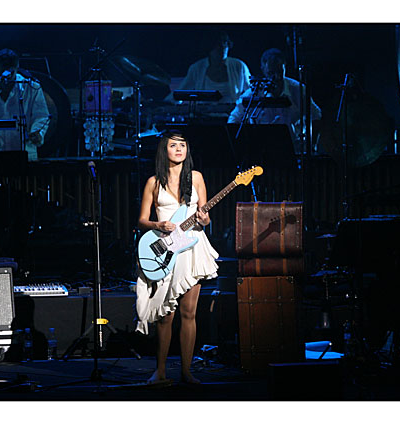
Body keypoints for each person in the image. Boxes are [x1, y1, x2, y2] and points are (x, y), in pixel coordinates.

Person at [135, 130, 219, 384]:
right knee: (165, 314)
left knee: (189, 312)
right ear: (165, 150)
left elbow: (205, 216)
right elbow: (141, 221)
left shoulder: (196, 178)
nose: (179, 149)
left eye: (183, 145)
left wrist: (205, 219)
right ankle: (160, 372)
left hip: (192, 247)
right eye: (174, 145)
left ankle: (186, 372)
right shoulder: (153, 182)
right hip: (165, 247)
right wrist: (157, 225)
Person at [228, 48, 322, 154]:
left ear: (285, 67)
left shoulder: (298, 90)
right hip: (262, 151)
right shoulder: (252, 94)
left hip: (293, 151)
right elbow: (234, 120)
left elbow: (316, 116)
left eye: (279, 72)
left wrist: (312, 147)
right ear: (263, 69)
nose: (276, 77)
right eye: (271, 73)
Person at [0, 48, 50, 161]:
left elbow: (41, 116)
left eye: (9, 74)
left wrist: (37, 132)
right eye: (0, 73)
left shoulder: (32, 87)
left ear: (16, 68)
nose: (4, 80)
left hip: (25, 155)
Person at [166, 31, 251, 104]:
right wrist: (163, 105)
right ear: (210, 46)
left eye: (225, 43)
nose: (222, 47)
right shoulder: (197, 68)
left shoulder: (239, 66)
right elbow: (181, 93)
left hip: (232, 119)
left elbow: (251, 91)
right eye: (218, 44)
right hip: (203, 118)